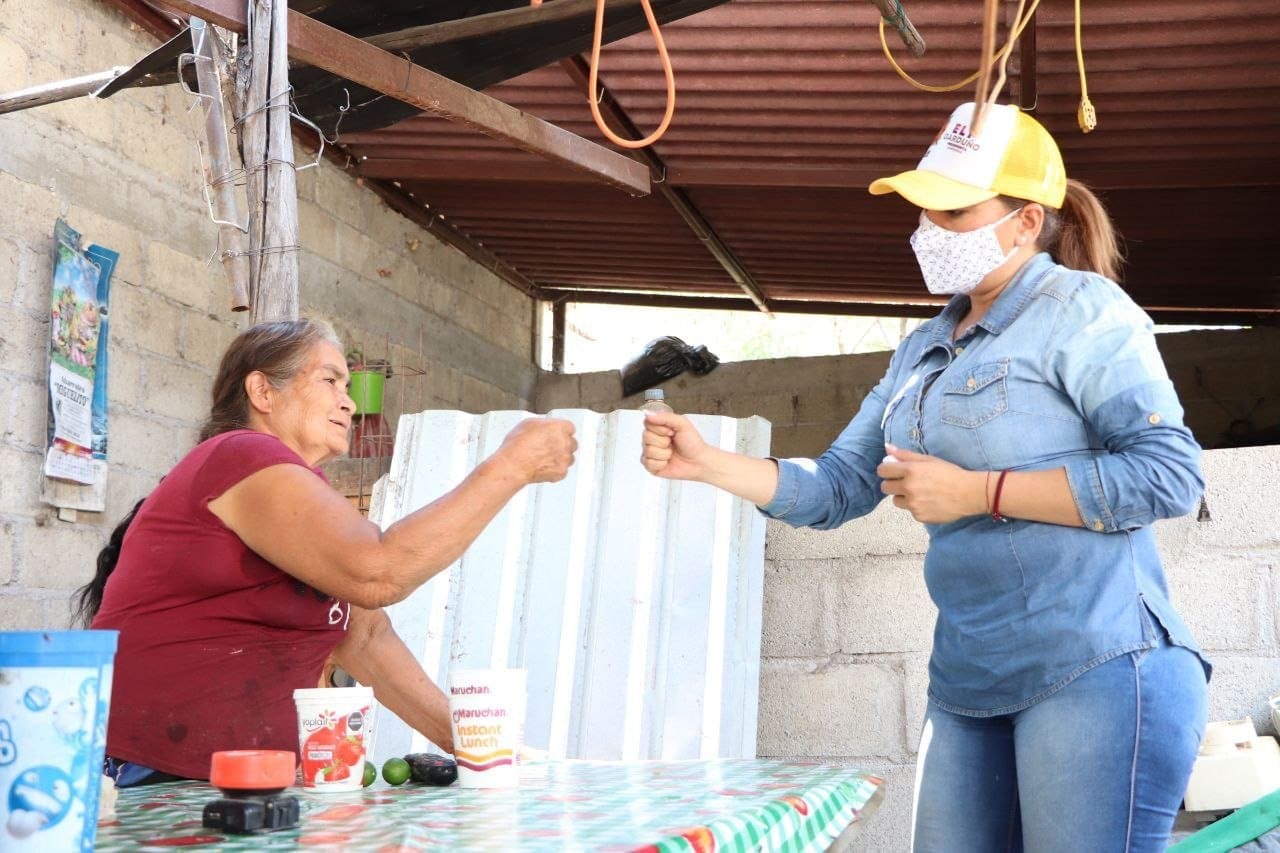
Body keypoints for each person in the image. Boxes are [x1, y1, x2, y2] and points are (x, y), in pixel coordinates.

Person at [641, 102, 1209, 852]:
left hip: (1096, 664)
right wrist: (708, 463)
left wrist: (979, 492)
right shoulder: (922, 350)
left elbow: (1168, 476)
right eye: (925, 209)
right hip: (969, 681)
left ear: (1025, 222)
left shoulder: (1080, 309)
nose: (930, 229)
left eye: (955, 211)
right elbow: (840, 485)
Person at [79, 319, 577, 786]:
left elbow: (366, 636)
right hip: (149, 773)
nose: (349, 403)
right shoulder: (240, 454)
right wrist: (511, 466)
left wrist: (474, 749)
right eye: (330, 381)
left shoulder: (295, 487)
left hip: (238, 779)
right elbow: (378, 573)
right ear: (262, 392)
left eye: (348, 386)